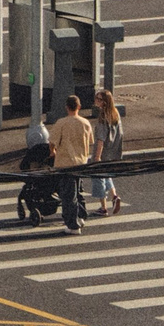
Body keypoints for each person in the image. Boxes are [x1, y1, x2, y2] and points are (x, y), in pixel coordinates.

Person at [47, 93, 96, 234]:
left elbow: (52, 141)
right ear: (79, 107)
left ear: (66, 107)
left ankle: (73, 225)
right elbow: (90, 141)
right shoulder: (85, 123)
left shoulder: (61, 123)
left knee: (68, 196)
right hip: (81, 162)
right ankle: (81, 216)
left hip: (65, 162)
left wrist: (53, 152)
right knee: (79, 191)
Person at [88, 91, 126, 217]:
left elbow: (100, 139)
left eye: (98, 99)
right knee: (107, 174)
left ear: (104, 102)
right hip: (112, 152)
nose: (96, 100)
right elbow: (120, 134)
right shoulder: (115, 113)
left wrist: (97, 157)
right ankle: (114, 196)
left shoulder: (103, 117)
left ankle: (103, 208)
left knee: (99, 178)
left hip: (103, 153)